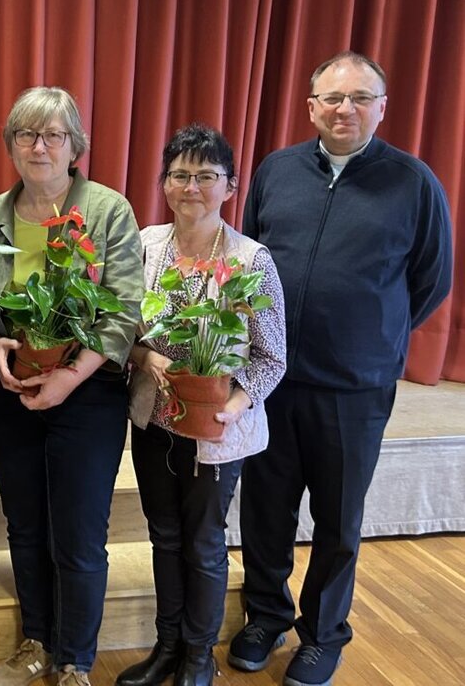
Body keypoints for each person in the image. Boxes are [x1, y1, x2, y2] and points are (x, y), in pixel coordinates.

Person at [231, 52, 453, 686]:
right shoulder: (277, 171)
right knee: (266, 509)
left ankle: (323, 633)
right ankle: (264, 615)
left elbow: (430, 282)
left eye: (360, 97)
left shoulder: (412, 183)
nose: (345, 108)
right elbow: (251, 262)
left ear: (383, 107)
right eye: (332, 98)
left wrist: (370, 333)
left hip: (355, 388)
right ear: (311, 107)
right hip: (271, 380)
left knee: (338, 518)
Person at [0, 86, 144, 686]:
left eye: (53, 136)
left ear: (75, 146)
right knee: (24, 522)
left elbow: (123, 309)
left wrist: (70, 376)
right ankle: (36, 640)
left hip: (88, 390)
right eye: (26, 134)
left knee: (80, 528)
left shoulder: (108, 211)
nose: (39, 146)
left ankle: (75, 660)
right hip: (12, 386)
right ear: (11, 144)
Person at [116, 124, 286, 686]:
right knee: (162, 535)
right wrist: (144, 357)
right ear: (165, 183)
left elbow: (272, 357)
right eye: (180, 175)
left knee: (205, 542)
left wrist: (233, 407)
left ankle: (197, 655)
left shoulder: (249, 259)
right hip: (154, 418)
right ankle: (166, 646)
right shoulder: (145, 246)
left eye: (206, 176)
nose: (192, 186)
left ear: (230, 187)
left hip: (217, 428)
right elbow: (119, 333)